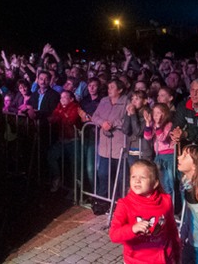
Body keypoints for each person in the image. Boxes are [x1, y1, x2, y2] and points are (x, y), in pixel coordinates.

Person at [109, 159, 181, 264]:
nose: (137, 181)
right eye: (133, 177)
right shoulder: (124, 204)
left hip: (163, 259)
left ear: (155, 183)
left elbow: (172, 229)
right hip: (136, 261)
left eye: (142, 177)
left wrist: (177, 254)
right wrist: (132, 229)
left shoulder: (165, 200)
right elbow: (114, 235)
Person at [90, 79, 128, 214]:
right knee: (103, 174)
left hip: (119, 145)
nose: (109, 89)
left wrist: (112, 124)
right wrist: (102, 123)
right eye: (108, 87)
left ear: (120, 90)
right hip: (104, 146)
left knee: (119, 178)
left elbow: (127, 120)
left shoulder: (126, 102)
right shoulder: (104, 100)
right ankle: (102, 202)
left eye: (112, 87)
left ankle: (119, 204)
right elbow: (95, 116)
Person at [47, 90, 82, 192]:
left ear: (71, 99)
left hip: (73, 140)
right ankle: (57, 178)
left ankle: (76, 190)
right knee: (51, 157)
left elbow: (71, 120)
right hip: (61, 139)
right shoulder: (59, 106)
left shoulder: (75, 107)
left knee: (75, 165)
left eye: (65, 97)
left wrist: (60, 113)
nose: (62, 99)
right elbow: (52, 119)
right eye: (61, 97)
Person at [143, 103, 176, 198]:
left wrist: (158, 126)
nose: (155, 115)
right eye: (154, 113)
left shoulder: (169, 125)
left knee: (170, 182)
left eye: (158, 113)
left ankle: (172, 203)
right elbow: (147, 137)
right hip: (159, 155)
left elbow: (162, 138)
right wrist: (148, 124)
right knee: (163, 182)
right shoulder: (153, 125)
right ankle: (166, 202)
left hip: (169, 156)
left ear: (165, 113)